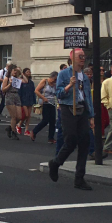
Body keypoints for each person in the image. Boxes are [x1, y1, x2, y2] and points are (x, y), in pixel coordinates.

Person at [48, 48, 94, 190]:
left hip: (82, 110)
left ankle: (79, 178)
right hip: (68, 109)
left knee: (85, 141)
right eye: (80, 56)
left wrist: (91, 115)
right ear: (72, 58)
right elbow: (59, 94)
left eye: (84, 56)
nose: (83, 58)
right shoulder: (64, 74)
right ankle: (56, 163)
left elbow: (88, 97)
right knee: (71, 140)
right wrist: (69, 86)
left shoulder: (85, 77)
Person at [32, 71, 58, 143]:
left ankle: (51, 138)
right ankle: (34, 131)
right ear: (51, 77)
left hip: (52, 103)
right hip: (45, 103)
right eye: (54, 79)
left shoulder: (55, 85)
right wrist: (43, 98)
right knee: (45, 120)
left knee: (53, 121)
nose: (54, 81)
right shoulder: (44, 81)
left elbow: (57, 94)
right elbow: (36, 91)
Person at [2, 65, 25, 140]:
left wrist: (21, 72)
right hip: (9, 96)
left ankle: (10, 127)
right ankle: (13, 132)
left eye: (16, 70)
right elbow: (3, 90)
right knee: (14, 116)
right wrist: (9, 84)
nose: (15, 72)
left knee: (19, 117)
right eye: (14, 70)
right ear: (10, 71)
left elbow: (25, 81)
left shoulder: (18, 79)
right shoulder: (7, 78)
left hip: (16, 96)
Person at [18, 68, 36, 136]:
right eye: (27, 72)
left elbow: (33, 91)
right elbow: (20, 92)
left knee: (29, 116)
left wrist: (34, 100)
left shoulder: (31, 82)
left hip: (30, 99)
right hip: (24, 99)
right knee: (26, 114)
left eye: (29, 72)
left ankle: (26, 130)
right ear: (24, 73)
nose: (29, 73)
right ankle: (19, 124)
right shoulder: (22, 82)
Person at [102, 75, 112, 155]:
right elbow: (103, 96)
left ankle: (107, 147)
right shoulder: (107, 82)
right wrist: (108, 106)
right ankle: (107, 147)